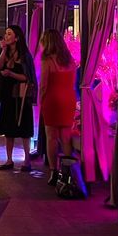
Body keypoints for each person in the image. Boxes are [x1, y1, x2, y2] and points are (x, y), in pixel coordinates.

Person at [38, 27, 78, 186]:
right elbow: (73, 81)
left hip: (52, 99)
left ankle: (54, 171)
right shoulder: (70, 59)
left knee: (51, 137)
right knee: (65, 137)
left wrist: (41, 101)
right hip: (68, 98)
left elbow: (44, 84)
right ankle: (68, 172)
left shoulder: (47, 60)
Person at [0, 24, 36, 172]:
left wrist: (11, 74)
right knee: (8, 129)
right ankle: (9, 159)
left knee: (24, 128)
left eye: (9, 34)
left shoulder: (25, 55)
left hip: (21, 96)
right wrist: (4, 49)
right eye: (6, 34)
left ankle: (27, 160)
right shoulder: (4, 52)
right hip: (7, 95)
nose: (6, 36)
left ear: (17, 37)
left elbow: (27, 77)